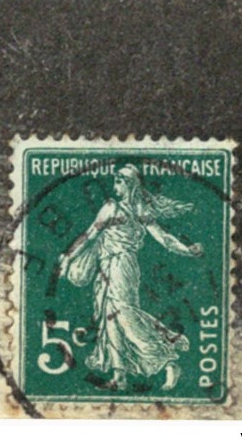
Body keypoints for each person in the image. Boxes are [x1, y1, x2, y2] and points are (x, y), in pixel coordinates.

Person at [57, 164, 202, 391]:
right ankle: (119, 375)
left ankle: (168, 361)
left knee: (125, 315)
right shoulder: (110, 208)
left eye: (121, 180)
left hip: (123, 266)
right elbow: (88, 235)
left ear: (131, 184)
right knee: (110, 317)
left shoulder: (139, 210)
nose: (116, 184)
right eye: (115, 180)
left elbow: (163, 238)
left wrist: (187, 250)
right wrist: (67, 256)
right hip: (106, 265)